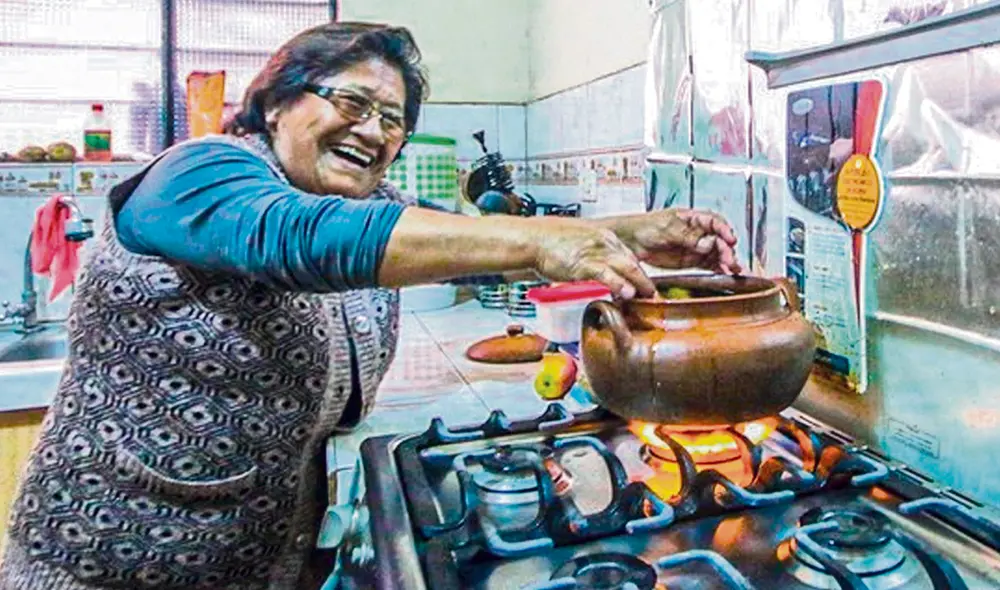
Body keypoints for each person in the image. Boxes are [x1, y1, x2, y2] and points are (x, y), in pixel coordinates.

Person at [0, 22, 742, 590]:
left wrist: (638, 235)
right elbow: (298, 237)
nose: (374, 131)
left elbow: (469, 237)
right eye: (352, 102)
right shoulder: (199, 173)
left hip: (262, 561)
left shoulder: (371, 204)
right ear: (277, 102)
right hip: (105, 567)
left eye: (393, 120)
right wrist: (551, 243)